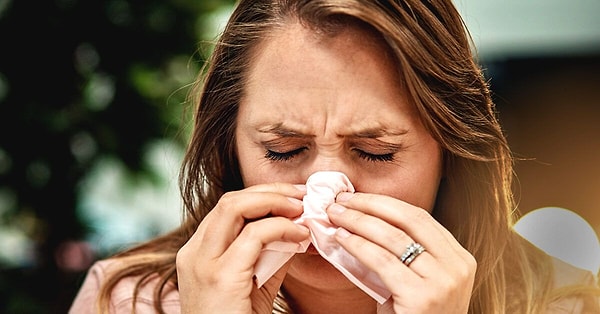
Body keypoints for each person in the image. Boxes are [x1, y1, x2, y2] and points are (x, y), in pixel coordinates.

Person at [69, 0, 600, 313]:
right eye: (283, 149)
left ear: (453, 152)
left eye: (376, 152)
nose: (327, 190)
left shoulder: (566, 303)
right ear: (228, 144)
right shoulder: (124, 298)